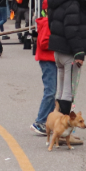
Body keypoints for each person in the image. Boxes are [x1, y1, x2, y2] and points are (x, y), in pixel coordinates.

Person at [45, 0, 86, 126]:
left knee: (60, 90)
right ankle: (64, 128)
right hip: (69, 51)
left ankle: (56, 124)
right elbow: (72, 29)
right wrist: (79, 51)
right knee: (68, 92)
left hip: (58, 50)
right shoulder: (73, 2)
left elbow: (54, 24)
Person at [31, 8, 59, 136]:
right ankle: (40, 121)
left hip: (48, 60)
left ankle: (47, 120)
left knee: (50, 91)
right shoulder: (48, 23)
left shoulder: (47, 22)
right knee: (50, 91)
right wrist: (59, 44)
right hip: (48, 60)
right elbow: (43, 43)